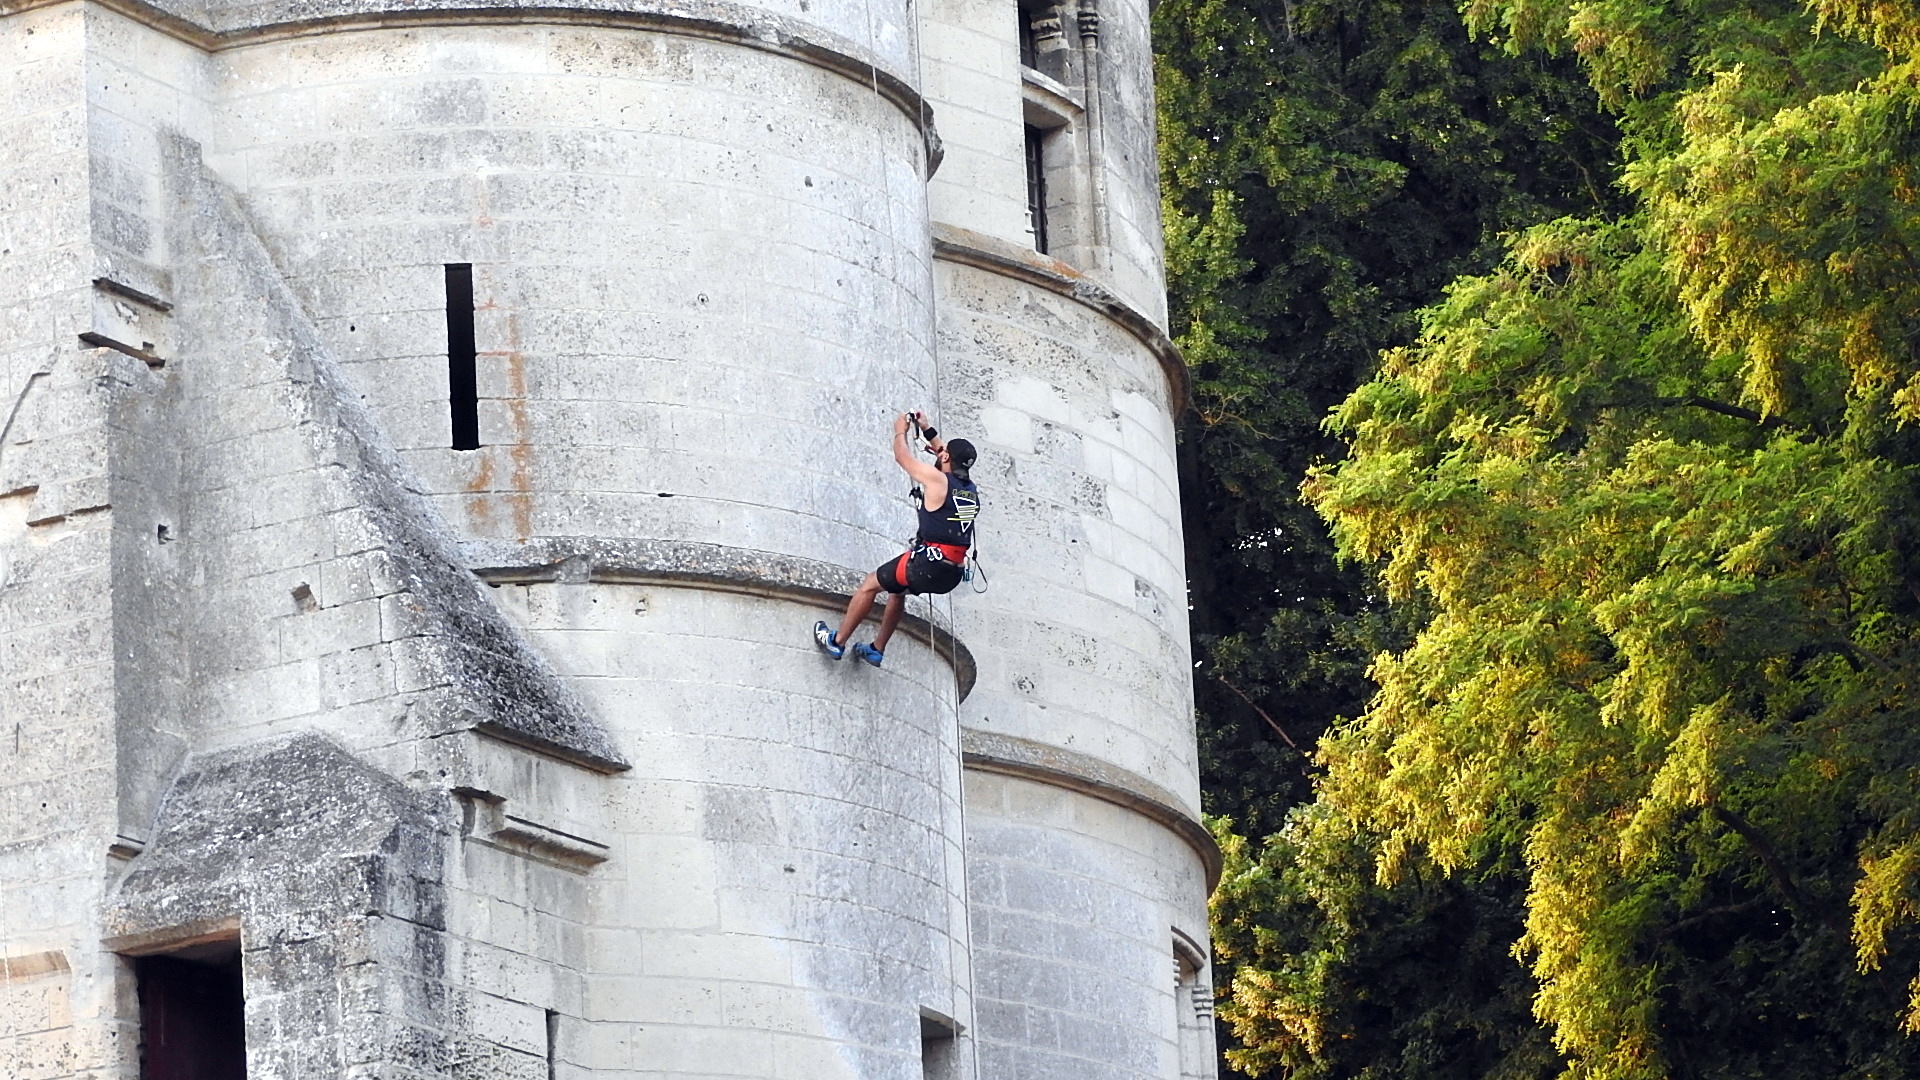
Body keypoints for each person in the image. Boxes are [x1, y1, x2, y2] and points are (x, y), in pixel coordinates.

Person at [815, 411, 979, 667]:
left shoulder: (938, 480)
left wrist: (899, 431)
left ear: (946, 457)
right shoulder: (970, 490)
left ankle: (836, 642)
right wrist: (927, 429)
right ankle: (876, 649)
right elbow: (946, 455)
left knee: (870, 584)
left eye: (943, 452)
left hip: (929, 565)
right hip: (953, 572)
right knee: (897, 590)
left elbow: (902, 457)